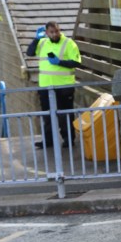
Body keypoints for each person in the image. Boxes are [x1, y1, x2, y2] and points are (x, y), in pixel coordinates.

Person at [26, 21, 83, 149]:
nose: (55, 34)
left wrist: (59, 62)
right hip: (46, 86)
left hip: (64, 86)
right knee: (47, 115)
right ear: (46, 33)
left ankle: (68, 140)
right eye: (51, 32)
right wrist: (36, 39)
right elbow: (29, 53)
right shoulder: (42, 43)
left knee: (65, 115)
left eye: (57, 31)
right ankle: (48, 141)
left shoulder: (69, 43)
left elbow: (77, 62)